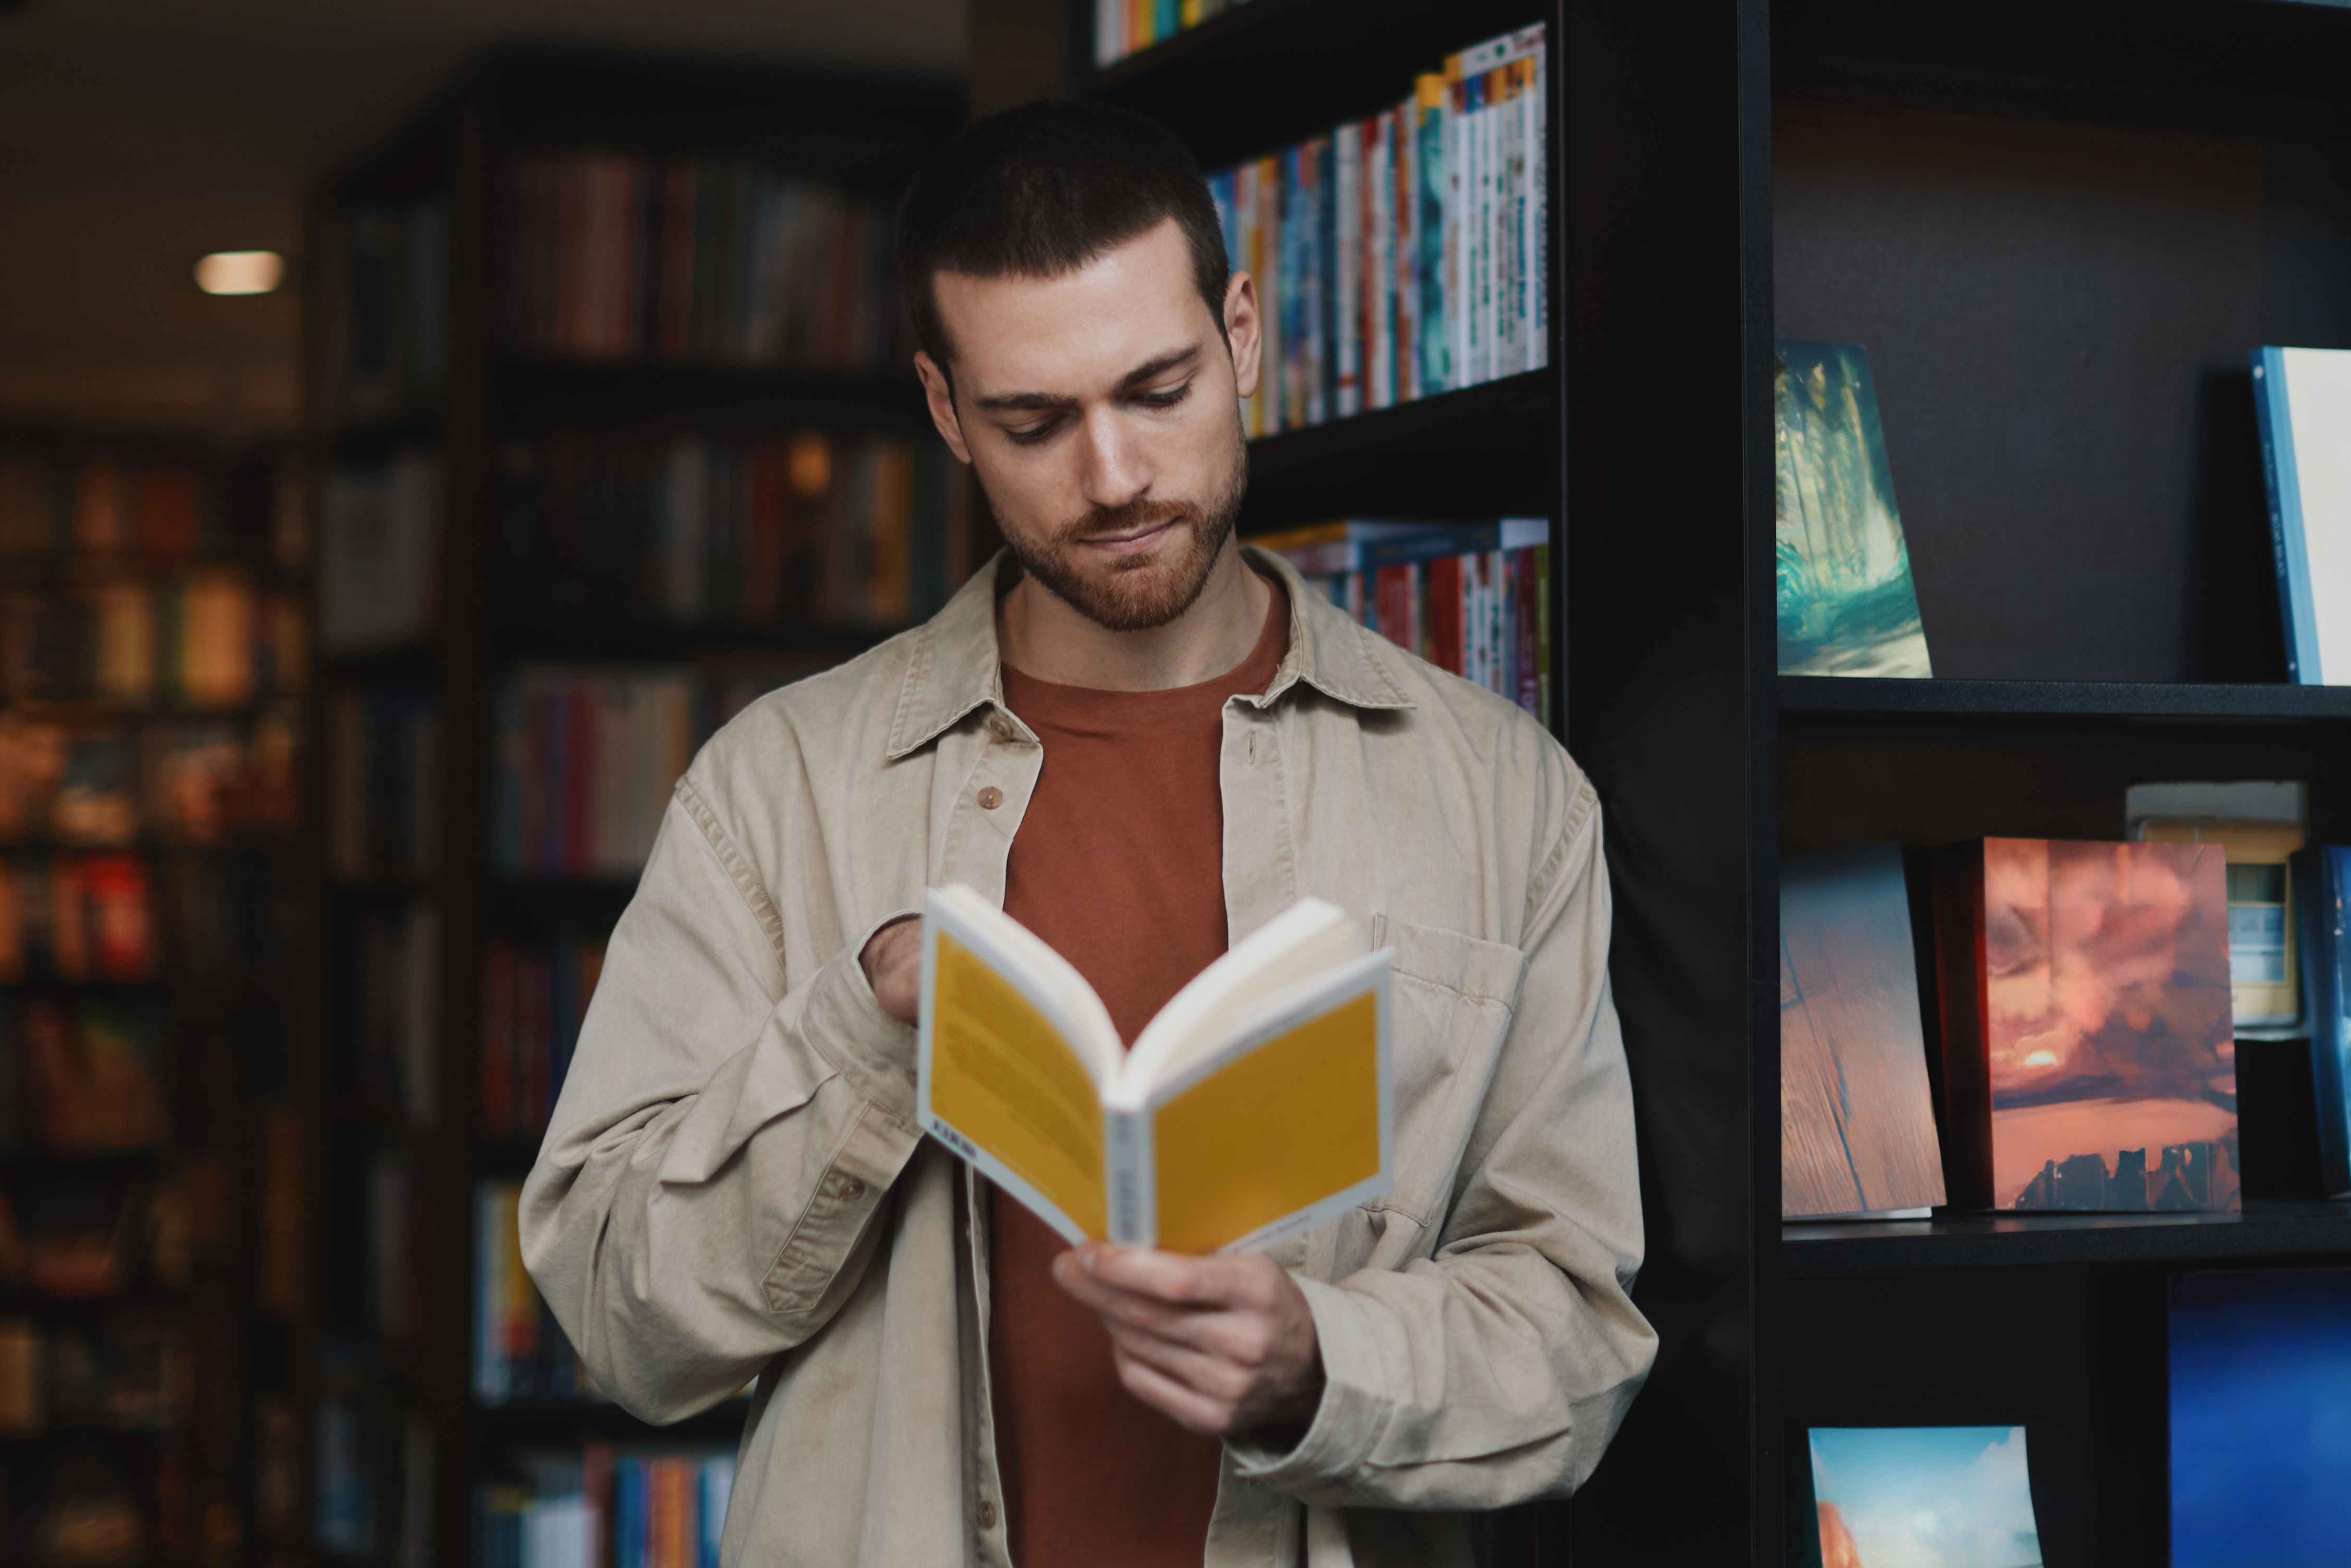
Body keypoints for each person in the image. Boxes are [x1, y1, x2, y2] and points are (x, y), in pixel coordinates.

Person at [520, 100, 1652, 1568]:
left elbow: (1578, 1331)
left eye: (1160, 389)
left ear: (1241, 333)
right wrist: (863, 1028)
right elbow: (620, 1319)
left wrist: (1324, 1362)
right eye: (1033, 423)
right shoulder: (775, 789)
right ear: (944, 412)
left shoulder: (1506, 800)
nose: (1112, 478)